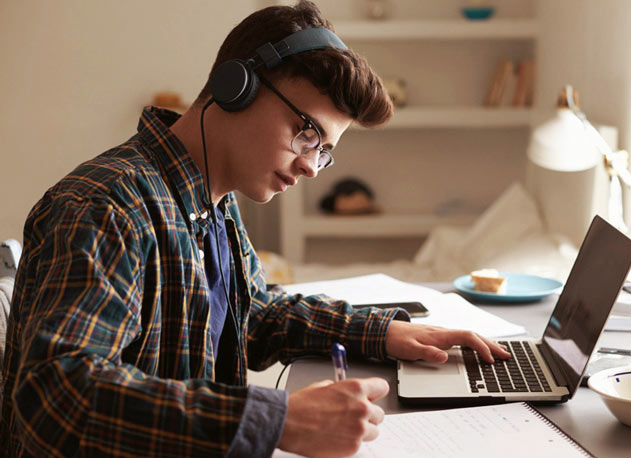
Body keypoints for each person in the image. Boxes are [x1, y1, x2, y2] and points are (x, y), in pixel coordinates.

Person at [0, 1, 510, 457]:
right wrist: (276, 419)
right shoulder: (107, 206)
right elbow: (55, 399)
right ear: (235, 88)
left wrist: (384, 332)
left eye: (326, 151)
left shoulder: (213, 202)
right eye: (308, 134)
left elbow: (252, 315)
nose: (313, 168)